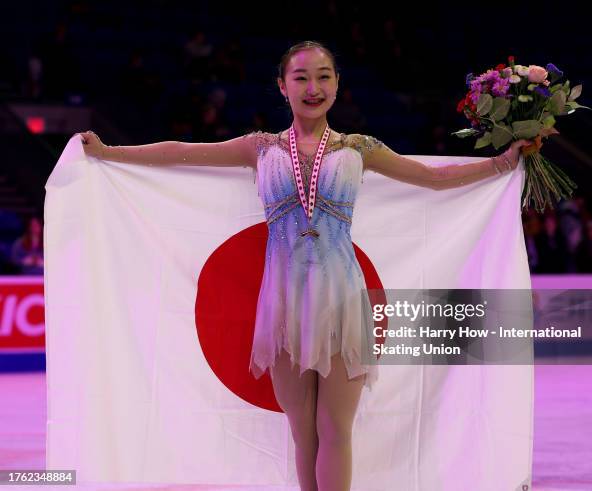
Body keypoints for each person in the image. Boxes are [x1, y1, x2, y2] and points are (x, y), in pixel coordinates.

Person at [78, 40, 532, 491]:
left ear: (337, 84)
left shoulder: (360, 147)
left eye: (323, 76)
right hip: (283, 305)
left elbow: (432, 178)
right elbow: (181, 151)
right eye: (301, 77)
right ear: (282, 86)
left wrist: (501, 164)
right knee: (302, 432)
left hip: (342, 302)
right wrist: (111, 153)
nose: (313, 87)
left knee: (336, 430)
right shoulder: (260, 148)